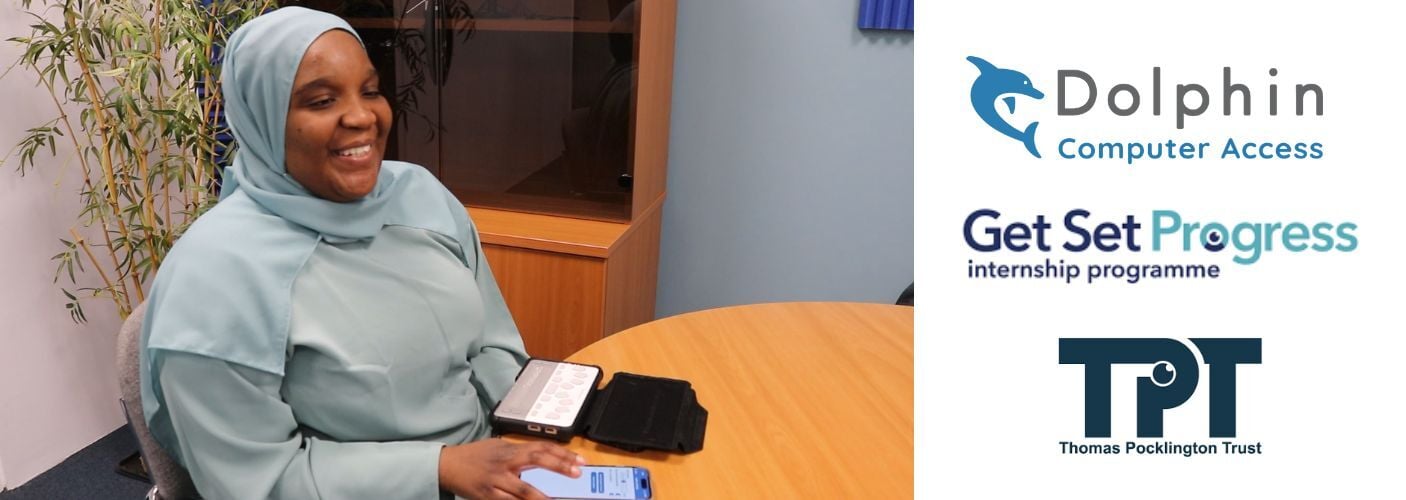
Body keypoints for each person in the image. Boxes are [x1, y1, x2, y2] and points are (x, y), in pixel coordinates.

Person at [138, 7, 582, 499]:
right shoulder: (214, 280)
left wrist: (532, 426)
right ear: (262, 116)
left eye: (369, 90)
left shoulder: (419, 194)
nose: (363, 116)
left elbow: (494, 343)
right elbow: (261, 483)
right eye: (322, 100)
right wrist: (441, 467)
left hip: (491, 464)